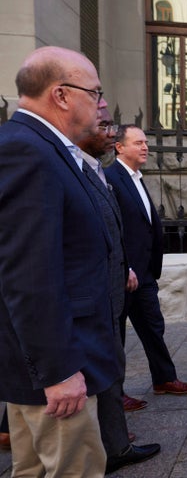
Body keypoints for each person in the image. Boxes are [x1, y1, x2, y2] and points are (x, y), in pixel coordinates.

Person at [0, 46, 118, 477]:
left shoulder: (39, 147)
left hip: (44, 367)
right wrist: (60, 371)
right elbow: (30, 274)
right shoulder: (29, 152)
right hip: (59, 371)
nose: (102, 103)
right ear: (62, 95)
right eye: (95, 92)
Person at [77, 111, 161, 473]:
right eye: (105, 126)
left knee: (117, 352)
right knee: (103, 357)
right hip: (96, 288)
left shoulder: (100, 172)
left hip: (126, 276)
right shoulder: (96, 174)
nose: (108, 133)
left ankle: (116, 443)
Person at [105, 125, 187, 395]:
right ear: (119, 147)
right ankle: (115, 395)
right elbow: (114, 228)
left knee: (153, 327)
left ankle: (164, 379)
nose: (145, 147)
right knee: (116, 336)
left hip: (144, 273)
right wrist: (125, 267)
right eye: (137, 143)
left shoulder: (136, 177)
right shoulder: (110, 178)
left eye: (145, 142)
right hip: (124, 273)